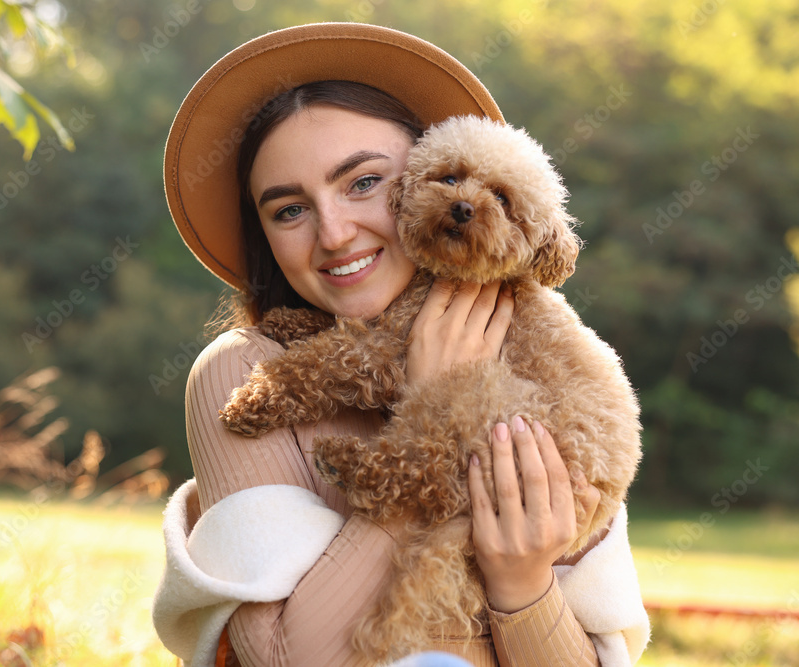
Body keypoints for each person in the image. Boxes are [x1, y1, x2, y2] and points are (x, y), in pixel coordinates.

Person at [152, 23, 650, 667]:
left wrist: (521, 582)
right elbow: (282, 657)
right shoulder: (243, 368)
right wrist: (429, 403)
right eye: (289, 210)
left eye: (363, 183)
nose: (334, 234)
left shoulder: (540, 358)